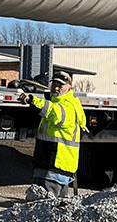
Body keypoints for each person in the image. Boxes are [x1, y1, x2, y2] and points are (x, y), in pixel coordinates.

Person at [24, 69, 87, 198]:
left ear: (69, 88)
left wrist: (31, 99)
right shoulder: (67, 104)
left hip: (53, 166)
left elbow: (54, 112)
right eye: (54, 84)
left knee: (43, 208)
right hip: (56, 168)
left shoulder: (67, 106)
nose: (56, 88)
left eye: (60, 85)